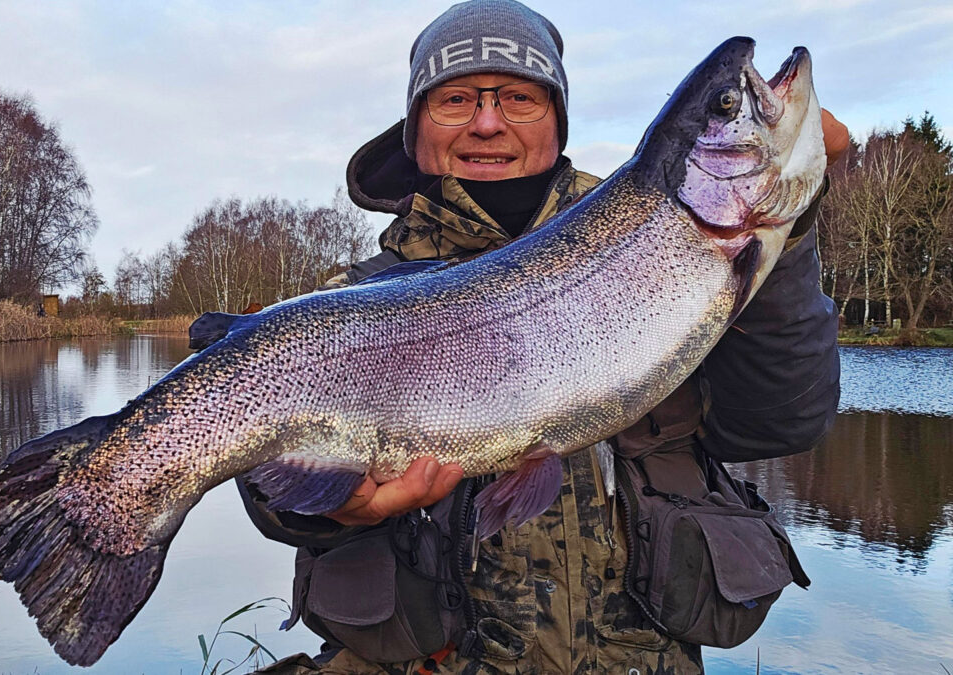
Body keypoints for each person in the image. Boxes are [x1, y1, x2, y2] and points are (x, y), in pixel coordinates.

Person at [239, 1, 847, 673]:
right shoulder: (349, 300)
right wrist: (322, 507)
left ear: (557, 120)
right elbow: (259, 459)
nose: (488, 122)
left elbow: (782, 420)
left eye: (520, 98)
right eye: (456, 99)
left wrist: (785, 228)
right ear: (413, 130)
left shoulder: (665, 251)